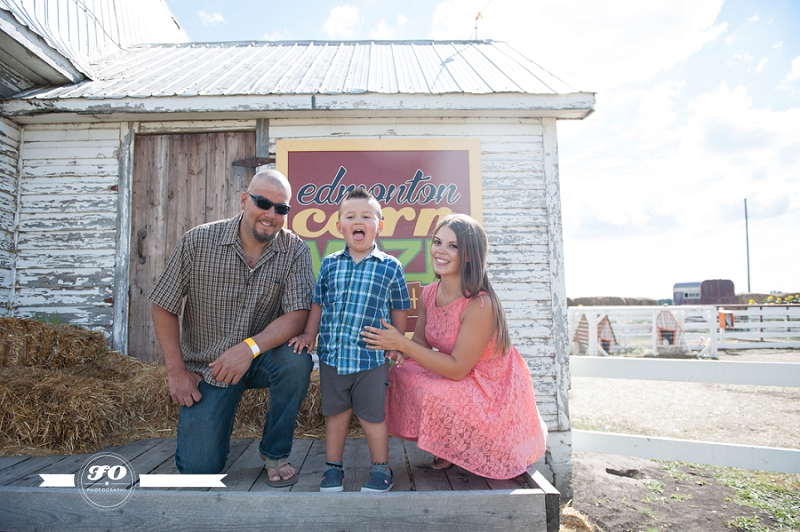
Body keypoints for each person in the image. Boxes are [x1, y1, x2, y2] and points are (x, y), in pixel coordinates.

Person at [149, 169, 314, 487]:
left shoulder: (295, 250)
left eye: (281, 209)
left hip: (261, 358)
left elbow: (298, 314)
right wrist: (176, 371)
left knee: (297, 362)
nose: (271, 214)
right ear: (243, 200)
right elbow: (162, 305)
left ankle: (275, 452)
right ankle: (214, 429)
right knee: (199, 471)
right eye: (263, 202)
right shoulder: (198, 241)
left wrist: (248, 348)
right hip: (210, 369)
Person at [361, 213, 548, 480]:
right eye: (438, 242)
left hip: (490, 388)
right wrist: (396, 349)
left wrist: (401, 342)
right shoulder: (429, 293)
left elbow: (458, 368)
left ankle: (473, 446)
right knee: (400, 374)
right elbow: (420, 345)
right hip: (458, 375)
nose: (441, 251)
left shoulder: (480, 305)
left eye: (453, 246)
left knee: (431, 391)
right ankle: (449, 447)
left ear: (469, 255)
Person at [289, 188, 411, 493]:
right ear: (339, 225)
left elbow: (399, 306)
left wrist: (397, 342)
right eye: (351, 216)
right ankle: (333, 470)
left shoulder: (390, 266)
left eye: (367, 217)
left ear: (379, 226)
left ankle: (381, 469)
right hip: (333, 357)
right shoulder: (330, 264)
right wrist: (309, 333)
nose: (359, 221)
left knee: (372, 417)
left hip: (371, 359)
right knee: (336, 416)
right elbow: (318, 301)